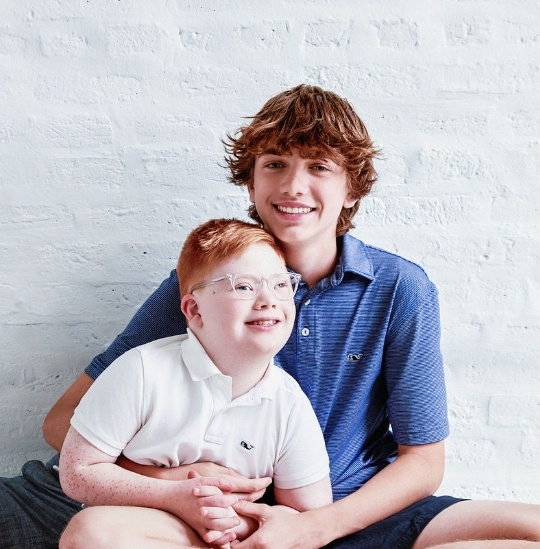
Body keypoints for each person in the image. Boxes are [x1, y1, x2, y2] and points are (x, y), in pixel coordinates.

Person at [2, 84, 540, 549]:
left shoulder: (400, 289)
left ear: (351, 188)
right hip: (204, 514)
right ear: (252, 184)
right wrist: (179, 485)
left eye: (320, 168)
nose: (292, 187)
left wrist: (316, 529)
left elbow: (423, 460)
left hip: (345, 511)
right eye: (275, 165)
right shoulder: (212, 280)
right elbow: (62, 423)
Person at [57, 218, 332, 548]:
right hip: (150, 529)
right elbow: (78, 472)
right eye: (244, 286)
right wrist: (174, 496)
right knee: (90, 531)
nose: (268, 300)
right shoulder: (142, 370)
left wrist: (239, 522)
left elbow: (309, 514)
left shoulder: (288, 402)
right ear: (194, 310)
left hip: (232, 536)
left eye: (281, 285)